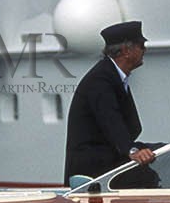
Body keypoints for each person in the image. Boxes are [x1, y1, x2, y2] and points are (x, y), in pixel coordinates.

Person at [64, 21, 161, 189]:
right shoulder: (100, 80)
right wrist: (132, 151)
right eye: (141, 45)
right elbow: (110, 119)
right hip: (94, 166)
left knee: (165, 152)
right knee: (148, 175)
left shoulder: (113, 76)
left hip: (109, 155)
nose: (145, 50)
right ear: (126, 51)